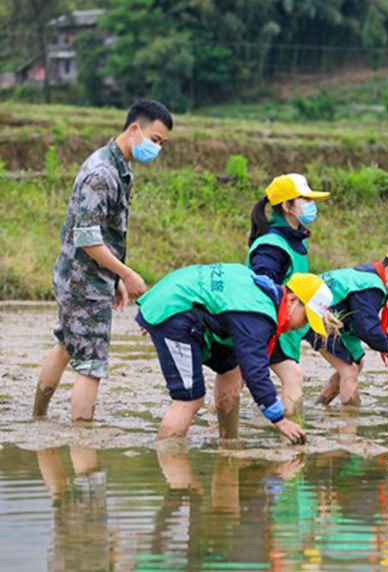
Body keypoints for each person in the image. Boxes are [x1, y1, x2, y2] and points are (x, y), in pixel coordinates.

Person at [33, 98, 173, 422]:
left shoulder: (120, 170)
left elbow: (105, 235)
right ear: (134, 129)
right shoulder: (102, 173)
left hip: (85, 279)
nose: (157, 149)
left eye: (161, 144)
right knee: (92, 367)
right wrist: (128, 274)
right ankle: (85, 448)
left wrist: (116, 279)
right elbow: (87, 238)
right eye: (154, 140)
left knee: (65, 344)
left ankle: (37, 420)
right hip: (84, 285)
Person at [135, 264, 333, 443]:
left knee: (231, 371)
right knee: (189, 398)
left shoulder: (266, 296)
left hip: (185, 303)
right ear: (291, 299)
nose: (302, 325)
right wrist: (280, 420)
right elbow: (255, 371)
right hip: (174, 309)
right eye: (306, 318)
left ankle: (228, 442)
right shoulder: (257, 315)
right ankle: (173, 467)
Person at [247, 173, 330, 418]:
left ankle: (220, 431)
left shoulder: (293, 240)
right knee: (292, 375)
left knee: (236, 378)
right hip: (268, 323)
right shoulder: (272, 246)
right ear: (287, 206)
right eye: (304, 199)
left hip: (285, 325)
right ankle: (293, 436)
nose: (310, 205)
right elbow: (262, 287)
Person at [310, 247, 388, 407]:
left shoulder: (370, 276)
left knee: (356, 364)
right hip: (314, 315)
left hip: (335, 319)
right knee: (349, 370)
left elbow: (365, 319)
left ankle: (319, 406)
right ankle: (350, 420)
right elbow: (367, 329)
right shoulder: (369, 286)